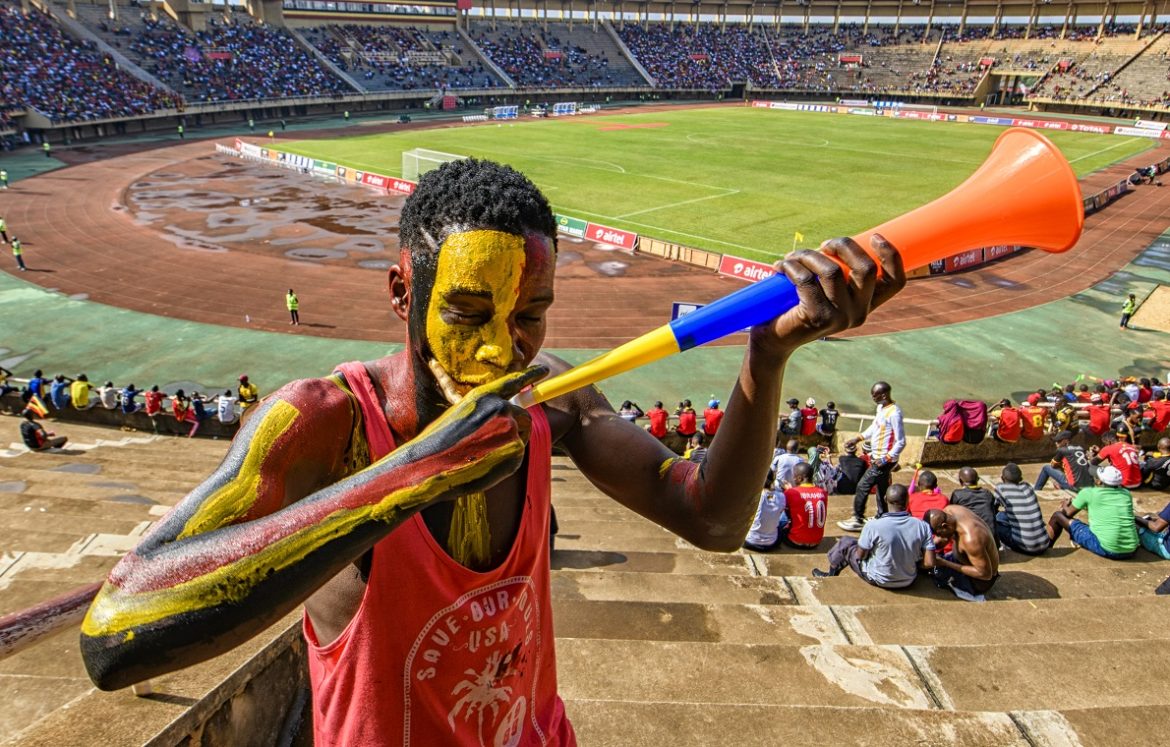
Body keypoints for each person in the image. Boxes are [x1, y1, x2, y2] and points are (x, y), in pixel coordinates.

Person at [79, 159, 905, 744]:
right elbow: (115, 635)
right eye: (470, 313)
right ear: (403, 290)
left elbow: (713, 519)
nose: (505, 352)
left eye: (531, 315)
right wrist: (416, 471)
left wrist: (767, 357)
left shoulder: (555, 397)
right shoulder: (324, 423)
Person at [814, 485, 934, 589]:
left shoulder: (873, 525)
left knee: (845, 542)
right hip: (908, 580)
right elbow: (929, 562)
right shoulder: (922, 526)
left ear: (885, 499)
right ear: (907, 502)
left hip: (878, 578)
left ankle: (831, 574)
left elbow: (860, 555)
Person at [838, 381, 904, 531]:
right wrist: (858, 438)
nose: (872, 398)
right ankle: (883, 515)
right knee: (882, 487)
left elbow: (901, 441)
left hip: (883, 460)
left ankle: (858, 518)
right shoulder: (881, 408)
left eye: (875, 395)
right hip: (877, 457)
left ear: (884, 395)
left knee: (862, 486)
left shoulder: (894, 413)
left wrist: (886, 458)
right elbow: (874, 427)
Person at [1046, 465, 1139, 560]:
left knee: (1057, 516)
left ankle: (1046, 548)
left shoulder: (1089, 493)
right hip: (1131, 549)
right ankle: (1077, 540)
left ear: (1099, 481)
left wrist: (1066, 505)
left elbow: (1067, 514)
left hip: (1108, 549)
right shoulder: (1126, 494)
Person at [925, 505, 1001, 600]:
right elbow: (943, 538)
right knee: (933, 561)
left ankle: (961, 586)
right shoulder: (950, 511)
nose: (938, 536)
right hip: (972, 560)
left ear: (945, 526)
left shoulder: (971, 539)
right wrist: (927, 549)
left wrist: (945, 563)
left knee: (938, 573)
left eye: (938, 533)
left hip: (980, 582)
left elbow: (985, 574)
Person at [992, 463, 1051, 555]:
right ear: (1020, 479)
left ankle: (1001, 547)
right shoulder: (1027, 487)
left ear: (1002, 478)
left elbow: (992, 510)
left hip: (1025, 546)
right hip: (1044, 543)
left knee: (993, 522)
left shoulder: (1001, 488)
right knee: (1003, 515)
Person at [782, 462, 828, 549]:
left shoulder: (790, 493)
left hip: (795, 541)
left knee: (781, 522)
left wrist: (788, 491)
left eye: (794, 476)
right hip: (816, 542)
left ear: (800, 478)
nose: (793, 478)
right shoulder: (823, 492)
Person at [743, 470, 787, 552]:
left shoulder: (755, 496)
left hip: (749, 541)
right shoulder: (781, 496)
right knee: (782, 522)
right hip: (771, 542)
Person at [948, 467, 997, 532]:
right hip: (991, 533)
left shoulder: (958, 494)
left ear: (960, 481)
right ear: (978, 479)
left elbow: (951, 512)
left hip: (971, 533)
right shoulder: (987, 493)